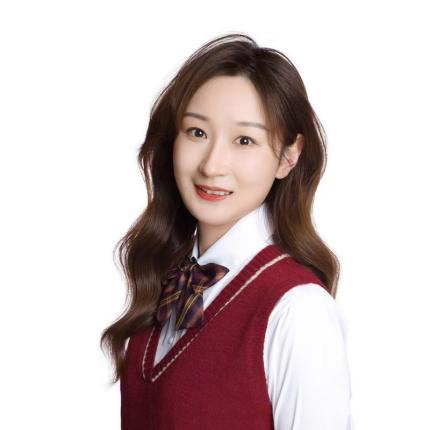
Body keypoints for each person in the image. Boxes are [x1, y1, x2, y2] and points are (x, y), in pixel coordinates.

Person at [100, 32, 353, 429]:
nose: (212, 164)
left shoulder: (297, 308)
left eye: (245, 140)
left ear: (289, 156)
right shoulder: (166, 284)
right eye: (197, 132)